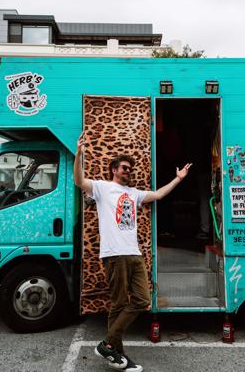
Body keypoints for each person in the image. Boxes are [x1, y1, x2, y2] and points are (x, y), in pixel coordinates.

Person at [73, 132, 192, 372]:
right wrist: (79, 155)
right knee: (117, 305)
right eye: (125, 168)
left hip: (134, 254)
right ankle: (118, 355)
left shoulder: (134, 193)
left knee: (142, 300)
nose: (128, 171)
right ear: (114, 169)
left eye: (130, 169)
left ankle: (107, 345)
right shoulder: (102, 188)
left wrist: (178, 179)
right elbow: (79, 181)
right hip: (114, 255)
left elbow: (157, 195)